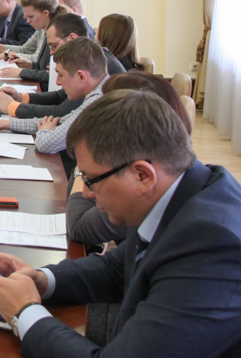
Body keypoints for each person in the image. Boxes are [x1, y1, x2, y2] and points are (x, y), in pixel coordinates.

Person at [0, 90, 241, 358]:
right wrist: (41, 280)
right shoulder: (183, 190)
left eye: (91, 179)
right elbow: (116, 268)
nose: (85, 192)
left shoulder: (213, 247)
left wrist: (25, 313)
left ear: (142, 175)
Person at [66, 72, 192, 247]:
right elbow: (120, 260)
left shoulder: (199, 239)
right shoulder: (166, 181)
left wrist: (85, 171)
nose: (86, 192)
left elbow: (79, 226)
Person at [0, 38, 108, 173]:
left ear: (81, 76)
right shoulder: (98, 91)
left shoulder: (97, 102)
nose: (58, 82)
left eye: (61, 75)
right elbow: (59, 123)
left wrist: (44, 131)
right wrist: (5, 124)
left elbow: (47, 144)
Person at [0, 13, 125, 120]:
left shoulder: (95, 61)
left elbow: (64, 112)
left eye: (54, 46)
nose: (51, 53)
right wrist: (21, 97)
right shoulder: (87, 54)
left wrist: (12, 107)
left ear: (72, 38)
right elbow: (61, 96)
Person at [0, 0, 69, 91]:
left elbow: (52, 74)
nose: (27, 20)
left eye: (31, 16)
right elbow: (26, 50)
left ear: (45, 14)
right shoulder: (41, 29)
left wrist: (21, 71)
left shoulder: (58, 36)